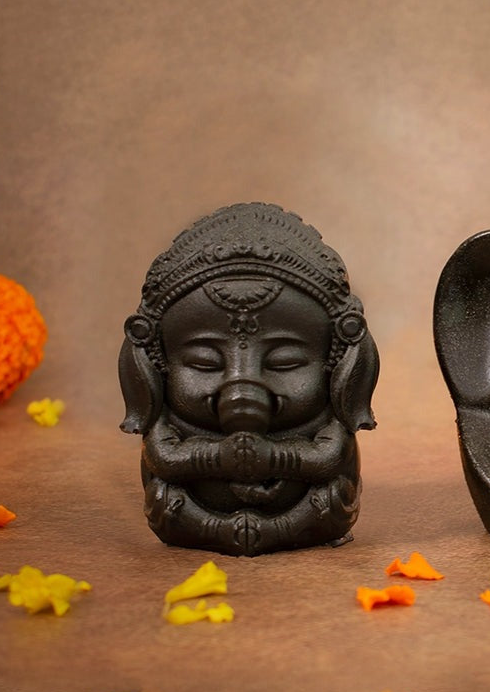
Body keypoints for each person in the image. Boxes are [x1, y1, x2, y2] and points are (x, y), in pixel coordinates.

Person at [119, 203, 379, 556]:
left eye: (285, 362)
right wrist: (219, 457)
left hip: (305, 511)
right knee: (165, 500)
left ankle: (281, 531)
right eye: (204, 362)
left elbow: (330, 457)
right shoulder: (170, 419)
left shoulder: (325, 421)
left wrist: (271, 457)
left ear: (338, 363)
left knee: (334, 499)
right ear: (156, 362)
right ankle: (214, 530)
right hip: (192, 513)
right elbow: (162, 457)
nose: (241, 382)